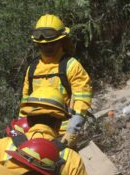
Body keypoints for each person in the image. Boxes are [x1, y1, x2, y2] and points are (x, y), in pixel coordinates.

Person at [21, 14, 93, 146]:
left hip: (63, 133)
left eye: (52, 43)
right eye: (44, 45)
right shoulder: (32, 69)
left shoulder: (71, 66)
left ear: (61, 41)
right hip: (36, 134)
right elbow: (25, 104)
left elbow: (82, 100)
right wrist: (21, 131)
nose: (48, 47)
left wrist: (72, 131)